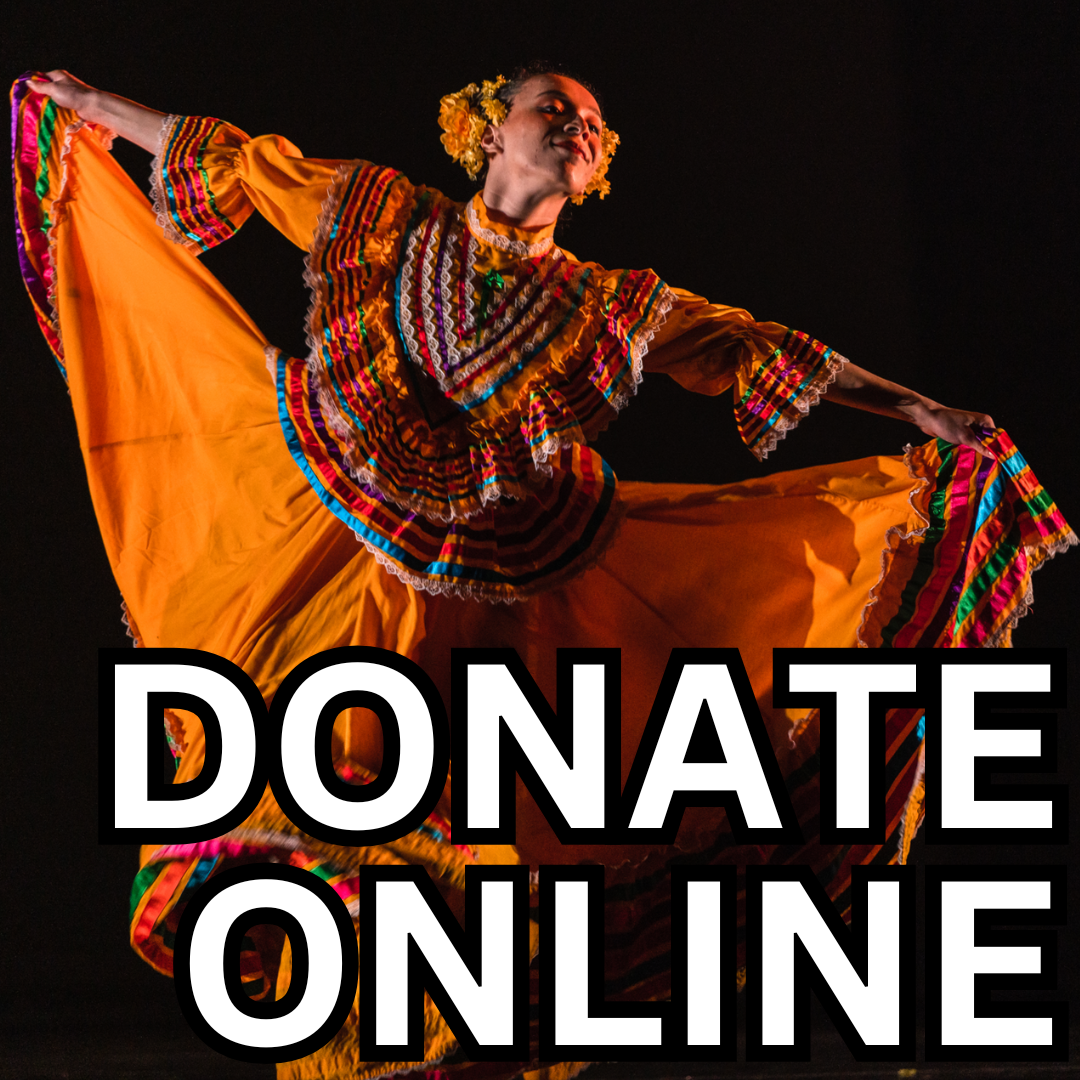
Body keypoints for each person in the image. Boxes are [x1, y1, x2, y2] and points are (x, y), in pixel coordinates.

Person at [14, 65, 1072, 1080]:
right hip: (349, 541)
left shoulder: (607, 304)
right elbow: (244, 162)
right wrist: (92, 106)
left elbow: (752, 346)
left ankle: (445, 1032)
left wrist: (915, 409)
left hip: (504, 576)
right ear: (489, 126)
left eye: (595, 127)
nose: (579, 129)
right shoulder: (387, 218)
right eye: (555, 108)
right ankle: (332, 1019)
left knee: (486, 814)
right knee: (325, 768)